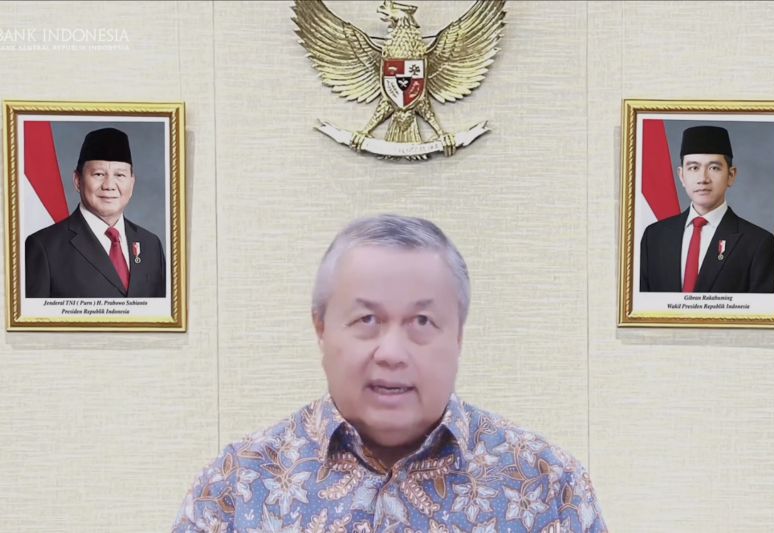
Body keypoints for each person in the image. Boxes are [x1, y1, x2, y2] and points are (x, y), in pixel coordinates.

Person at [172, 215, 607, 533]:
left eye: (422, 322)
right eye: (367, 320)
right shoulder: (237, 485)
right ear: (321, 328)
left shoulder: (548, 484)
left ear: (458, 335)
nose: (393, 353)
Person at [25, 127, 166, 298]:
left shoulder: (151, 244)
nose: (109, 185)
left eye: (120, 175)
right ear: (78, 181)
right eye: (99, 174)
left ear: (132, 182)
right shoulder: (44, 247)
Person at [640, 125, 774, 293]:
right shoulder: (654, 236)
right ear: (681, 175)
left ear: (731, 175)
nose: (703, 179)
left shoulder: (758, 243)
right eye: (693, 168)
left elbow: (761, 308)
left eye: (714, 168)